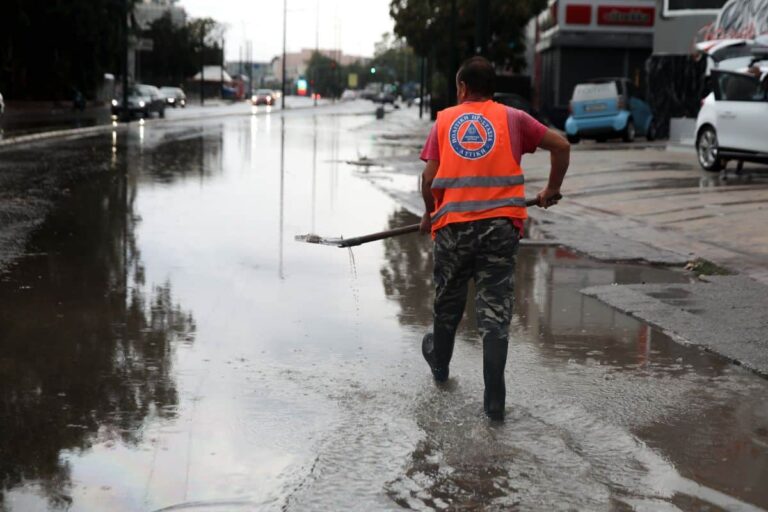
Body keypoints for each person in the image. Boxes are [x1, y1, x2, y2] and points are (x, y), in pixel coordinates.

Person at [418, 56, 570, 421]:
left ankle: (440, 366)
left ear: (462, 88)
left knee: (448, 305)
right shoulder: (513, 119)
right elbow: (562, 145)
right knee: (494, 315)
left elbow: (428, 178)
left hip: (453, 230)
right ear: (492, 89)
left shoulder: (445, 121)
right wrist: (551, 188)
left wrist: (429, 211)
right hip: (501, 229)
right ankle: (494, 400)